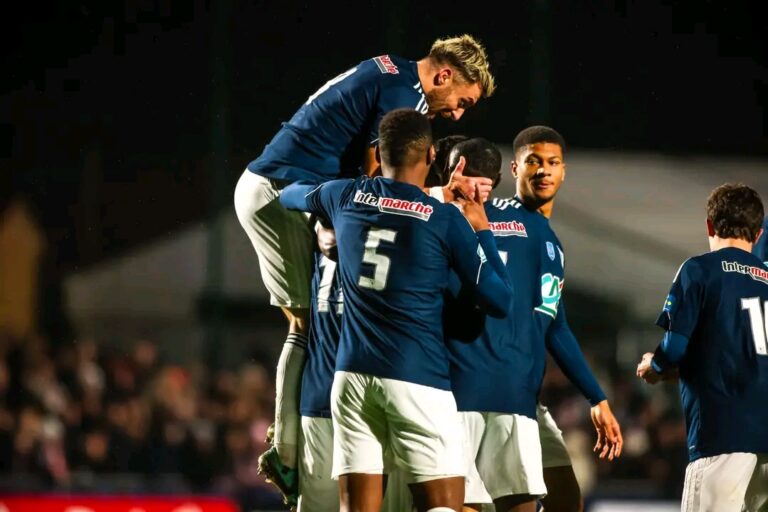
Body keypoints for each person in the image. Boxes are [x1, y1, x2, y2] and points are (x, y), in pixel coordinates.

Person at [233, 34, 497, 492]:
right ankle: (286, 449)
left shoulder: (393, 70)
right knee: (306, 320)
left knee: (317, 311)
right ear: (445, 75)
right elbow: (380, 181)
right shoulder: (404, 98)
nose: (457, 114)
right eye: (461, 101)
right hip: (281, 193)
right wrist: (437, 201)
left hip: (283, 187)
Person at [279, 108, 513, 512]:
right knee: (443, 506)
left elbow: (289, 194)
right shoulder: (442, 219)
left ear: (379, 151)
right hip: (417, 377)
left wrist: (324, 223)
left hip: (350, 377)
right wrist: (480, 227)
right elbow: (501, 300)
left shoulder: (345, 195)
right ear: (433, 155)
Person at [434, 133, 621, 512]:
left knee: (566, 498)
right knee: (478, 502)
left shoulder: (547, 237)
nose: (543, 171)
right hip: (474, 387)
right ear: (515, 168)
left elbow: (554, 324)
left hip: (521, 396)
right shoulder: (497, 215)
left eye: (552, 163)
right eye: (534, 161)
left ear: (564, 171)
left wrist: (596, 397)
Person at [636, 183, 768, 512]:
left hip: (721, 436)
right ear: (759, 232)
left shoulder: (700, 269)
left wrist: (654, 366)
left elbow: (676, 345)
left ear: (709, 225)